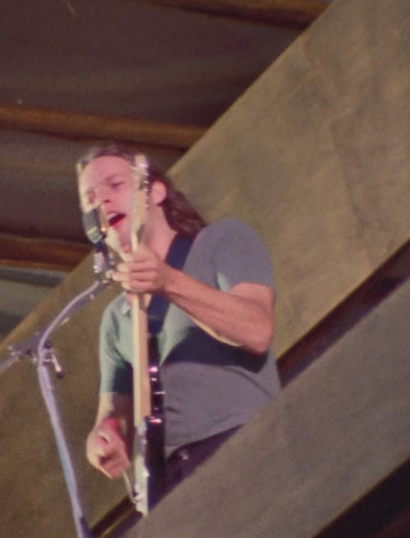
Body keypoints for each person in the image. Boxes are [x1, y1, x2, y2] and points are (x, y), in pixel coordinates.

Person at [80, 142, 280, 504]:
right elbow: (113, 414)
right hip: (168, 485)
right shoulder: (115, 318)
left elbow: (257, 330)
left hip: (242, 445)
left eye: (115, 185)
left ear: (155, 191)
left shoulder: (220, 241)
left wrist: (168, 281)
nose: (102, 201)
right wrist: (105, 436)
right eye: (90, 197)